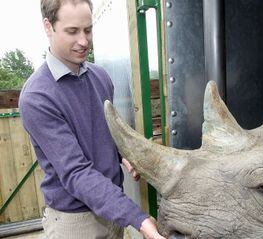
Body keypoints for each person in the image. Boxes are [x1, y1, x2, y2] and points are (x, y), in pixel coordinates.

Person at [19, 0, 166, 238]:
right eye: (72, 31)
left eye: (88, 29)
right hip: (75, 222)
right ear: (49, 26)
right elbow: (76, 172)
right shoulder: (37, 97)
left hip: (111, 209)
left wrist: (124, 154)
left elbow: (104, 131)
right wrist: (138, 219)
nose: (84, 41)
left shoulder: (100, 77)